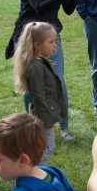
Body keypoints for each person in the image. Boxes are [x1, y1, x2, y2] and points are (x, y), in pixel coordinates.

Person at [10, 0, 79, 139]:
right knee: (33, 84)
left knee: (58, 81)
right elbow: (39, 6)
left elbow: (67, 10)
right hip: (29, 36)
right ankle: (33, 127)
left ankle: (64, 129)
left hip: (51, 35)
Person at [13, 22, 65, 164]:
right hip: (42, 117)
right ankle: (36, 173)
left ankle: (35, 172)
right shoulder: (36, 67)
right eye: (51, 42)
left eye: (56, 41)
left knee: (44, 147)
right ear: (36, 44)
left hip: (45, 115)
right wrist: (47, 119)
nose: (55, 45)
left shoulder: (40, 62)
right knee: (46, 148)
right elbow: (38, 97)